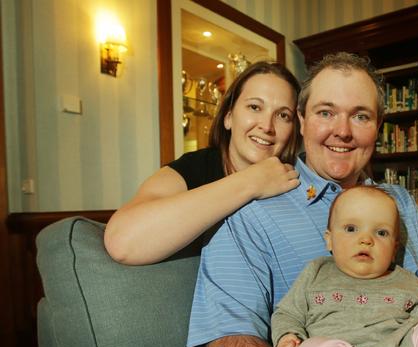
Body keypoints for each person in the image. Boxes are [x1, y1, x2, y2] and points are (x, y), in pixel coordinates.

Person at [187, 52, 418, 347]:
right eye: (326, 113)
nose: (343, 131)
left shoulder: (401, 203)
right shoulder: (248, 214)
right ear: (302, 120)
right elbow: (231, 339)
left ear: (378, 127)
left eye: (360, 116)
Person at [104, 61, 302, 265]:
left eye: (283, 115)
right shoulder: (193, 168)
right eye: (254, 107)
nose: (267, 125)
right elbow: (123, 243)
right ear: (228, 117)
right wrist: (251, 182)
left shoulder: (297, 180)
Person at [272, 186, 418, 347]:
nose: (365, 240)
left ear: (394, 248)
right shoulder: (316, 272)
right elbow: (287, 313)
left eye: (381, 233)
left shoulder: (406, 281)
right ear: (329, 240)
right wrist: (288, 335)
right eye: (351, 228)